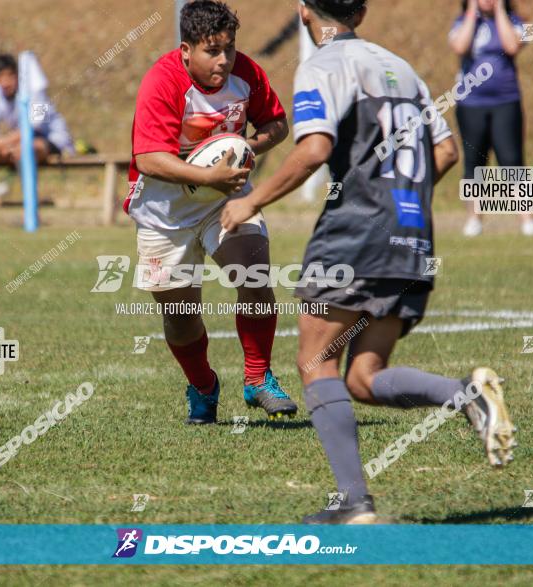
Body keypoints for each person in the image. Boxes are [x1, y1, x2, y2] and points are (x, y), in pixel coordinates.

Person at [221, 0, 517, 523]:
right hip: (413, 235)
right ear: (359, 10)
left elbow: (314, 148)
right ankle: (465, 395)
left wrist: (251, 200)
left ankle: (354, 502)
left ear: (304, 11)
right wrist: (401, 201)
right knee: (362, 376)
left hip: (356, 231)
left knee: (315, 363)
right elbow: (445, 152)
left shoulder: (323, 62)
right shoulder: (402, 68)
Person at [127, 0, 297, 424]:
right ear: (186, 50)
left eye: (230, 48)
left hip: (228, 200)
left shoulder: (247, 74)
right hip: (165, 213)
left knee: (255, 277)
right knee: (180, 319)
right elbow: (148, 157)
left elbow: (277, 125)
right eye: (211, 50)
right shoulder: (162, 81)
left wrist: (245, 150)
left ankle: (257, 379)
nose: (224, 60)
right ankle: (203, 386)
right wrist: (208, 177)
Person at [449, 0, 533, 237]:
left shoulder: (514, 22)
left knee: (513, 161)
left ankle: (527, 220)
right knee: (474, 162)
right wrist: (472, 11)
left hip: (506, 101)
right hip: (470, 103)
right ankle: (474, 219)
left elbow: (512, 46)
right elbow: (460, 46)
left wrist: (500, 10)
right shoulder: (463, 22)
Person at [0, 53, 73, 224]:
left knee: (23, 150)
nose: (5, 82)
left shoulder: (35, 92)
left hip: (50, 140)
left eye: (9, 75)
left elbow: (33, 128)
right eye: (0, 77)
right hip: (15, 143)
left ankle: (31, 213)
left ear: (18, 75)